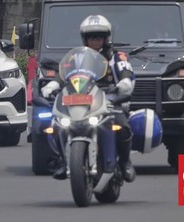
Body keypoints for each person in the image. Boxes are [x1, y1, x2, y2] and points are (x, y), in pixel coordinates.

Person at [41, 14, 136, 183]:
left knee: (122, 126)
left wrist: (124, 82)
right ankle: (63, 161)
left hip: (110, 101)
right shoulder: (76, 57)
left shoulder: (117, 56)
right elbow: (64, 75)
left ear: (106, 38)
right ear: (85, 39)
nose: (95, 41)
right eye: (91, 37)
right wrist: (53, 85)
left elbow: (125, 70)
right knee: (56, 125)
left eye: (98, 37)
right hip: (81, 100)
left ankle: (125, 163)